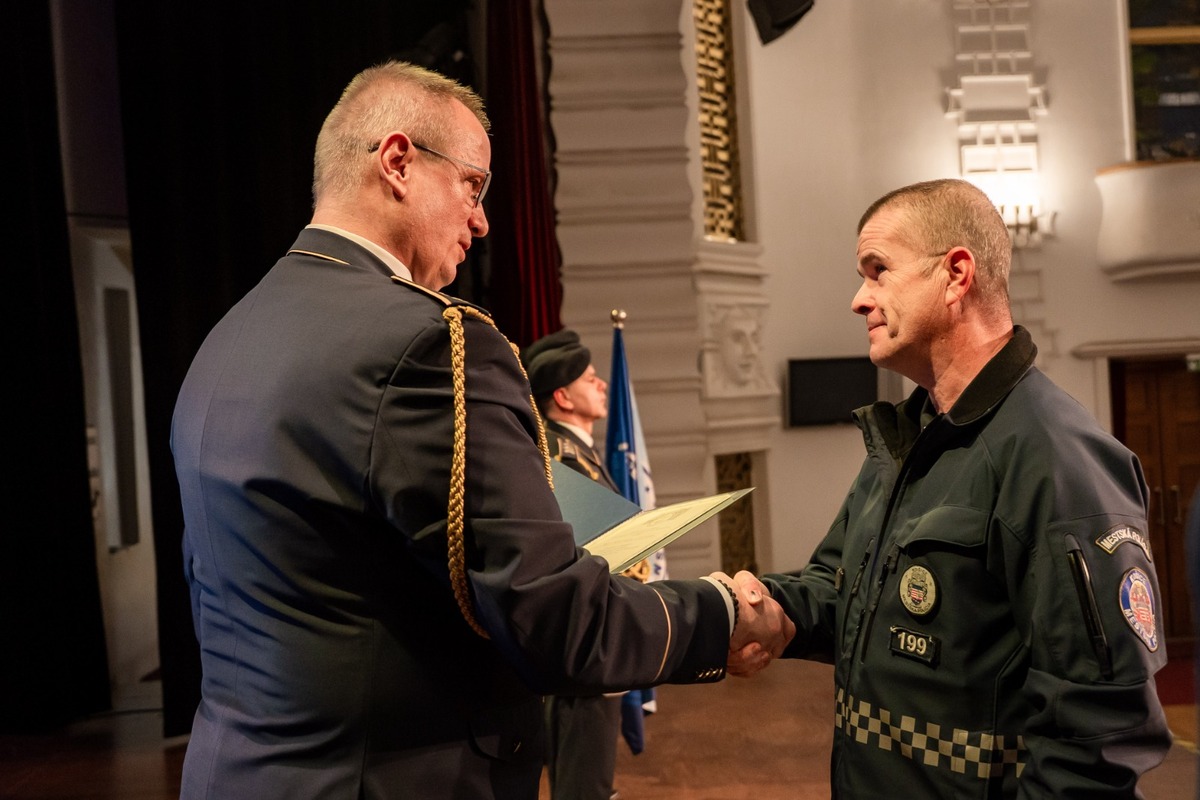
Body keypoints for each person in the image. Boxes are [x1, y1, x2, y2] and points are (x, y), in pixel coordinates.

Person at [170, 60, 794, 800]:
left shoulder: (229, 336)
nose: (482, 219)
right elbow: (553, 622)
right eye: (472, 184)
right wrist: (719, 614)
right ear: (398, 162)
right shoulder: (429, 342)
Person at [729, 178, 1171, 797]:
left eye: (878, 270)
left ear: (956, 274)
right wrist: (756, 607)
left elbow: (1099, 735)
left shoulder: (1054, 455)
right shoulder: (911, 436)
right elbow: (840, 593)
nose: (859, 299)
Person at [522, 328, 636, 800]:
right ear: (563, 397)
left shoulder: (578, 453)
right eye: (591, 379)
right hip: (583, 640)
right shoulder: (561, 461)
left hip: (598, 632)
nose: (603, 384)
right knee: (583, 784)